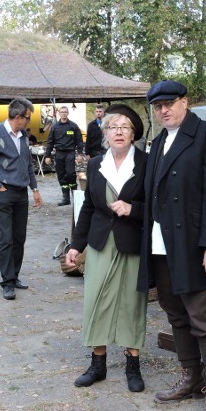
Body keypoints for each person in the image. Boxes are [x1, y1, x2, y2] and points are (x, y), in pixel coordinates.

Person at [138, 80, 206, 411]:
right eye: (157, 106)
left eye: (169, 103)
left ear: (185, 101)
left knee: (205, 316)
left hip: (195, 245)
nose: (163, 110)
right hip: (161, 244)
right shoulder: (159, 142)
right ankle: (191, 376)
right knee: (176, 312)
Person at [66, 105, 148, 392]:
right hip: (100, 241)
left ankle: (133, 366)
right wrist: (76, 245)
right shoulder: (95, 164)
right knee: (95, 299)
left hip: (132, 242)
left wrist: (132, 208)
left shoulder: (146, 163)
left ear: (133, 133)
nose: (119, 132)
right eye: (113, 127)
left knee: (131, 303)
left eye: (125, 127)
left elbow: (158, 206)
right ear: (105, 132)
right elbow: (88, 206)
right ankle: (97, 364)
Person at [0, 98, 43, 300]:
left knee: (19, 239)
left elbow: (28, 164)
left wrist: (34, 188)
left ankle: (14, 276)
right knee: (5, 239)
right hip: (4, 194)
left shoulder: (23, 136)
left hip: (22, 194)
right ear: (17, 117)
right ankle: (6, 283)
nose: (29, 121)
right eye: (27, 118)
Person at [44, 106, 84, 206]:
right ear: (59, 113)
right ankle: (66, 198)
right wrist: (47, 156)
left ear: (68, 113)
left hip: (70, 153)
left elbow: (79, 141)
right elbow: (50, 142)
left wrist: (79, 154)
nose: (63, 114)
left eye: (65, 112)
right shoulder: (55, 127)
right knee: (61, 175)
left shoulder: (73, 126)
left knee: (70, 174)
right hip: (59, 153)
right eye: (62, 112)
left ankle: (75, 196)